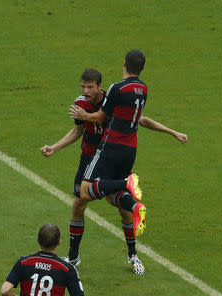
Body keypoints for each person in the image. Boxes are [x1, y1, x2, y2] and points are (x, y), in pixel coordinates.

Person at [64, 55, 186, 274]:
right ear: (143, 68)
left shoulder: (116, 90)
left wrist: (84, 115)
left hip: (109, 149)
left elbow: (101, 116)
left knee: (84, 192)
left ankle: (127, 184)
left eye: (89, 87)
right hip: (130, 150)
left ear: (123, 64)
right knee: (119, 203)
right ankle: (134, 208)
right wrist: (172, 131)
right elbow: (140, 119)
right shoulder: (143, 89)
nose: (85, 90)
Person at [1, 224, 84, 296]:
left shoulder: (23, 262)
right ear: (59, 242)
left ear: (38, 240)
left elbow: (5, 291)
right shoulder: (67, 269)